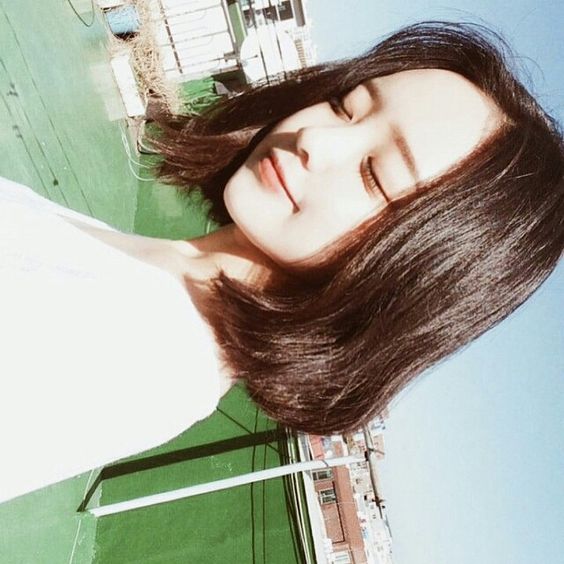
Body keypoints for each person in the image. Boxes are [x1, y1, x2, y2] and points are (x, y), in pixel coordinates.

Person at [1, 22, 562, 503]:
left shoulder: (151, 353)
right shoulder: (157, 280)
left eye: (377, 175)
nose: (315, 139)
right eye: (346, 107)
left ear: (410, 278)